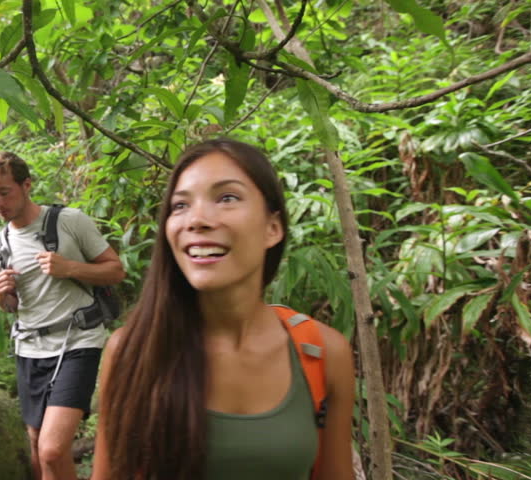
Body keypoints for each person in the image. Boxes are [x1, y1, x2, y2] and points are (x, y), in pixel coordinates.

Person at [92, 139, 355, 480]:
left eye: (227, 198)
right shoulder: (132, 351)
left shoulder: (322, 353)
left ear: (272, 228)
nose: (197, 220)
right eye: (180, 205)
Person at [0, 151, 125, 480]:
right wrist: (1, 298)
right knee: (37, 446)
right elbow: (13, 307)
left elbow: (116, 271)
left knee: (52, 449)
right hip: (29, 349)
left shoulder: (68, 222)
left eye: (4, 192)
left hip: (78, 342)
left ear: (26, 185)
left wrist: (70, 267)